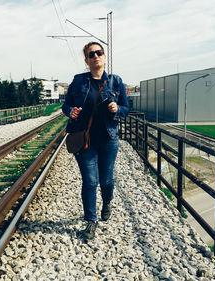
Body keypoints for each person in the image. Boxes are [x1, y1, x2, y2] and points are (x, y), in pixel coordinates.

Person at [62, 42, 130, 240]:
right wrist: (70, 112)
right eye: (91, 54)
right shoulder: (79, 81)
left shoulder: (115, 81)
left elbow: (126, 108)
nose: (95, 57)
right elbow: (66, 105)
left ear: (104, 56)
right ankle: (91, 221)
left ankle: (107, 201)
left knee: (106, 180)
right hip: (84, 139)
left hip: (109, 139)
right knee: (90, 181)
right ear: (87, 60)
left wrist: (118, 109)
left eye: (98, 53)